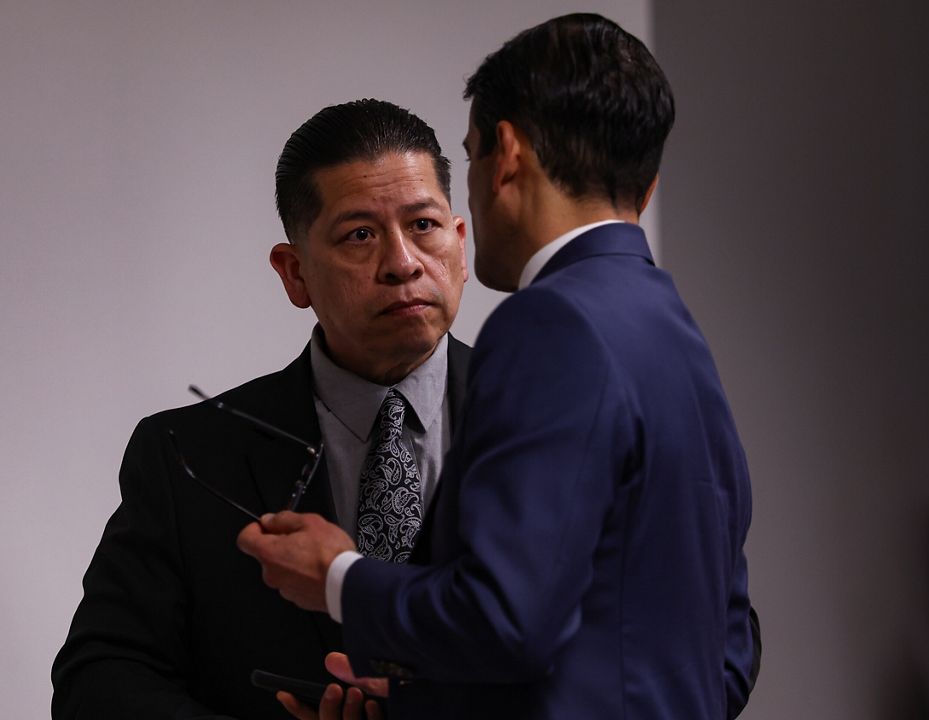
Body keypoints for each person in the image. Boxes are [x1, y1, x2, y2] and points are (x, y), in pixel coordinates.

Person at [238, 13, 759, 720]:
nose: (405, 261)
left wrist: (336, 577)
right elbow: (723, 648)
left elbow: (508, 619)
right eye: (361, 234)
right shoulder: (672, 329)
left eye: (470, 157)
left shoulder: (550, 323)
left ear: (505, 154)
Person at [51, 99, 471, 719]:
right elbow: (100, 683)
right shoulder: (186, 455)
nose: (403, 262)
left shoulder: (559, 422)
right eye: (360, 234)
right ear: (294, 272)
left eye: (423, 226)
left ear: (459, 244)